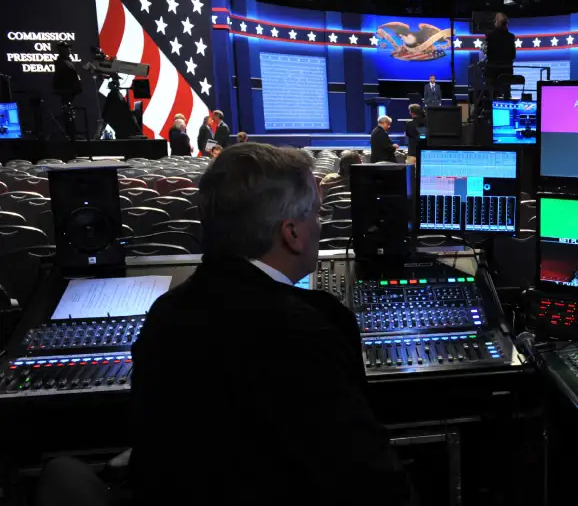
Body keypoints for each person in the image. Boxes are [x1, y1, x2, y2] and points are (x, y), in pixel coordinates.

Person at [130, 143, 414, 505]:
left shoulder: (164, 314)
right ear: (291, 233)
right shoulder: (305, 331)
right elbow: (369, 480)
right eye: (316, 212)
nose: (320, 223)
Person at [485, 13, 516, 100]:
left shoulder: (490, 36)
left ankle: (491, 104)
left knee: (491, 89)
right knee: (506, 90)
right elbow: (513, 55)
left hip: (493, 72)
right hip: (507, 71)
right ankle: (507, 98)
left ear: (497, 22)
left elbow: (489, 53)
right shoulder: (511, 37)